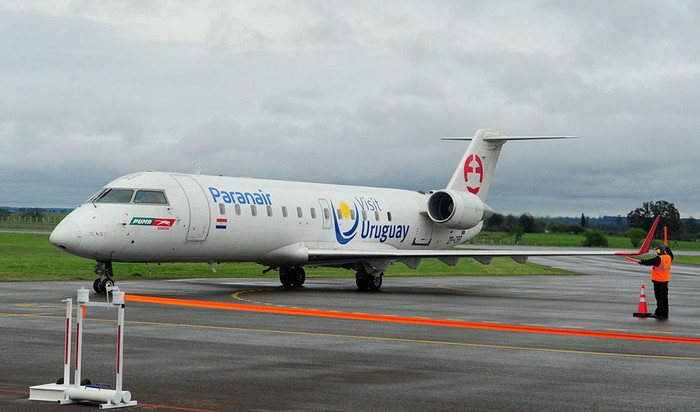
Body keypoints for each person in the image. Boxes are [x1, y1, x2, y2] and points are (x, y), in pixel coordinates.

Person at [638, 244, 674, 319]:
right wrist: (667, 247)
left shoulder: (659, 259)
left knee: (659, 298)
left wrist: (642, 261)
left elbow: (650, 261)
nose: (657, 252)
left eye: (657, 250)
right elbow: (671, 254)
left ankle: (658, 313)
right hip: (665, 280)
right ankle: (665, 313)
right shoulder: (669, 257)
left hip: (658, 281)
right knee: (664, 298)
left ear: (660, 251)